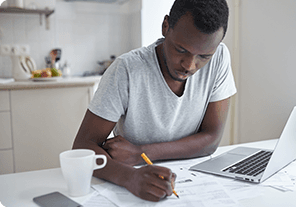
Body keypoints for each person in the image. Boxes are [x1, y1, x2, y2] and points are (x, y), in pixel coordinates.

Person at [72, 0, 236, 202]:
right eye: (181, 50)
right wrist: (128, 177)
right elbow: (83, 147)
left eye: (204, 56)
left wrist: (141, 152)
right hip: (134, 185)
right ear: (166, 26)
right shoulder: (126, 70)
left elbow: (211, 138)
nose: (190, 65)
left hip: (193, 182)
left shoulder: (220, 58)